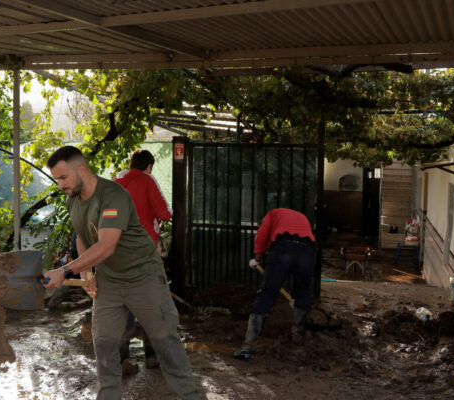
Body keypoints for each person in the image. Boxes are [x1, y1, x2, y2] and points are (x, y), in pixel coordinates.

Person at [43, 146, 201, 400]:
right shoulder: (73, 199)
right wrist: (86, 277)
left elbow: (106, 245)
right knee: (104, 345)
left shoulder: (113, 194)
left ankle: (190, 396)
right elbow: (84, 238)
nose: (60, 184)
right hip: (109, 282)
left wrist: (65, 270)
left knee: (165, 343)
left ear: (81, 169)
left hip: (144, 277)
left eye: (63, 177)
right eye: (57, 179)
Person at [232, 208, 317, 360]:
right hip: (307, 251)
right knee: (303, 292)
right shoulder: (302, 216)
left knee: (267, 293)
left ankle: (248, 346)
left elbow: (262, 235)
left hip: (282, 248)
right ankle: (297, 341)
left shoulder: (272, 214)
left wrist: (257, 257)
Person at [113, 149, 172, 370]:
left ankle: (122, 360)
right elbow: (165, 214)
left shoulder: (116, 183)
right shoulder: (147, 180)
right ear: (148, 166)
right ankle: (152, 356)